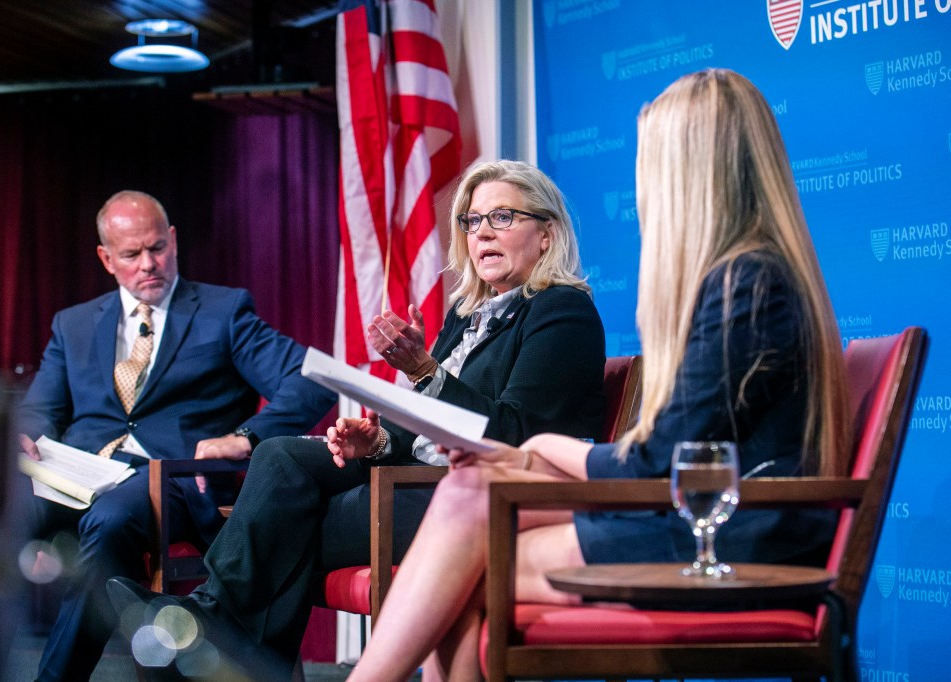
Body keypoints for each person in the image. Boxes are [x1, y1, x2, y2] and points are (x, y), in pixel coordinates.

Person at [344, 68, 853, 682]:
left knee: (468, 565)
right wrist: (523, 462)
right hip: (701, 513)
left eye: (652, 162)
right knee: (469, 493)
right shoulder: (747, 275)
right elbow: (669, 453)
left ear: (689, 171)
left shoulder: (745, 284)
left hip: (736, 532)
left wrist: (538, 450)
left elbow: (659, 460)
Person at [108, 160, 607, 677]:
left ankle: (207, 628)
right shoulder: (467, 315)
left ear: (546, 234)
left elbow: (513, 435)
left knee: (281, 527)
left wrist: (424, 371)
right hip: (418, 475)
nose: (481, 232)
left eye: (501, 217)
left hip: (476, 496)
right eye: (471, 221)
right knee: (280, 456)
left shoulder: (561, 311)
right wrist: (379, 443)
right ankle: (217, 632)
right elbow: (427, 424)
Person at [15, 190, 337, 681]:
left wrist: (246, 436)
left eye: (157, 248)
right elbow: (40, 410)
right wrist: (24, 435)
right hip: (77, 474)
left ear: (174, 240)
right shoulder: (75, 324)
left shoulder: (222, 312)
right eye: (131, 254)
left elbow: (311, 379)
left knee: (110, 522)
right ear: (106, 258)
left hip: (169, 482)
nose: (149, 263)